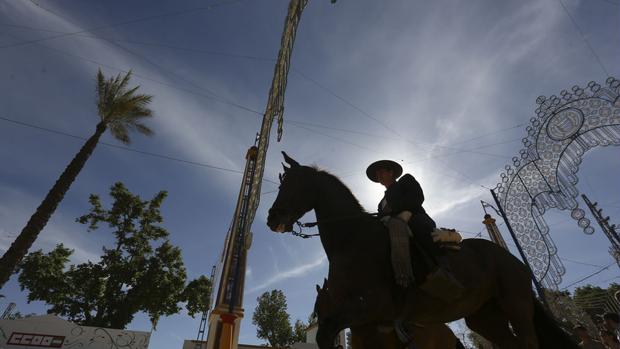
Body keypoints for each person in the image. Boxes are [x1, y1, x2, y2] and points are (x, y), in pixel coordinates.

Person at [366, 159, 437, 287]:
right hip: (390, 227)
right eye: (377, 175)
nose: (379, 177)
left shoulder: (405, 181)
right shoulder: (380, 203)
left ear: (391, 172)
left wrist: (394, 209)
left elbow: (417, 197)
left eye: (381, 172)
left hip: (415, 219)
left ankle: (409, 276)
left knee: (400, 225)